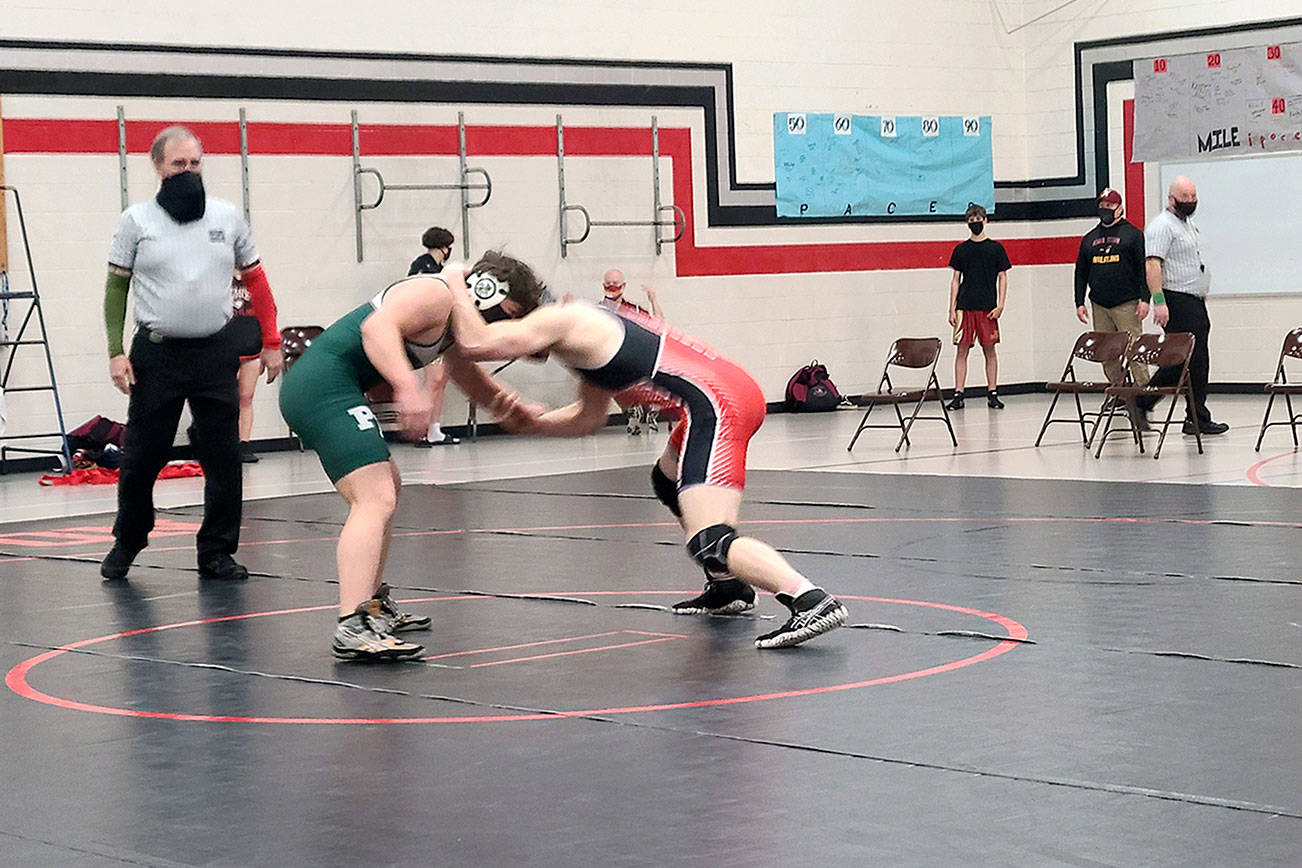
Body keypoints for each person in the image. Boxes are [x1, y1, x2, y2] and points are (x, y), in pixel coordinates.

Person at [448, 265, 848, 649]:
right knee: (666, 480)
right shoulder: (579, 330)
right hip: (721, 396)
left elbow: (475, 342)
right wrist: (536, 425)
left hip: (717, 406)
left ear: (509, 308)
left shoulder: (560, 319)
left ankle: (808, 599)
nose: (517, 352)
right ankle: (728, 586)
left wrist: (450, 281)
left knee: (711, 538)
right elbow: (590, 417)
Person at [278, 252, 548, 661]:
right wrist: (407, 386)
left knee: (388, 486)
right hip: (321, 386)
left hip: (331, 385)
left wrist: (507, 406)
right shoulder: (436, 294)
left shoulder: (453, 318)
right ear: (486, 292)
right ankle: (352, 624)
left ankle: (370, 606)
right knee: (375, 496)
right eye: (506, 316)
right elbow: (376, 327)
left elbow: (464, 371)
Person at [101, 126, 282, 583]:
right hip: (157, 355)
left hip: (214, 353)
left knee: (224, 458)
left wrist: (272, 342)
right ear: (157, 166)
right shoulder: (136, 221)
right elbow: (115, 289)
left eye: (195, 163)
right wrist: (115, 351)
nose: (188, 171)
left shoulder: (227, 216)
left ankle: (217, 551)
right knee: (142, 457)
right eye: (178, 164)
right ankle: (129, 539)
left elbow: (257, 281)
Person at [1138, 176, 1228, 436]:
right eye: (1185, 197)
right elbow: (1152, 265)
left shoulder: (1186, 224)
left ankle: (1195, 416)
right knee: (1184, 360)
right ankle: (1143, 401)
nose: (1191, 201)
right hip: (1176, 300)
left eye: (1193, 196)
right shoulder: (1162, 226)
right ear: (1171, 199)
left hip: (1193, 301)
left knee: (1197, 361)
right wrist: (1159, 301)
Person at [1073, 188, 1151, 428]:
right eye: (1102, 205)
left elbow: (1143, 269)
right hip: (1099, 303)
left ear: (1119, 208)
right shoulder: (1090, 238)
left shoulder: (1133, 235)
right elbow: (1081, 271)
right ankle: (1120, 392)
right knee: (1107, 354)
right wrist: (1079, 301)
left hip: (1127, 302)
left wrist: (1145, 299)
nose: (1105, 209)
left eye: (1109, 205)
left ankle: (1143, 396)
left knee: (1133, 350)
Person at [946, 204, 1010, 410]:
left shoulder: (996, 248)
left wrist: (1001, 305)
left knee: (989, 350)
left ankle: (992, 392)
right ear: (967, 223)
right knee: (961, 350)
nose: (975, 224)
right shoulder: (961, 249)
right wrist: (951, 308)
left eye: (978, 220)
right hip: (965, 307)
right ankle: (959, 394)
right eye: (971, 221)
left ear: (985, 220)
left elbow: (1003, 277)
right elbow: (955, 279)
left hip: (987, 308)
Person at [408, 226, 460, 446]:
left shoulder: (440, 269)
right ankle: (422, 429)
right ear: (444, 247)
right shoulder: (422, 267)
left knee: (440, 380)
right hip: (427, 333)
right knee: (434, 380)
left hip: (441, 331)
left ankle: (433, 428)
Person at [599, 268, 663, 433]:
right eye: (608, 284)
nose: (612, 287)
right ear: (603, 286)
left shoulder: (633, 310)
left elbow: (659, 326)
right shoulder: (598, 311)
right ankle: (632, 411)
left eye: (616, 284)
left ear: (623, 286)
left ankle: (650, 407)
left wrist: (653, 301)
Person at [231, 273, 267, 462]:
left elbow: (269, 314)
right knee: (223, 400)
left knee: (246, 397)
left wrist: (267, 348)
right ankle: (220, 443)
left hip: (252, 349)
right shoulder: (220, 279)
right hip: (224, 349)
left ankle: (244, 444)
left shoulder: (255, 281)